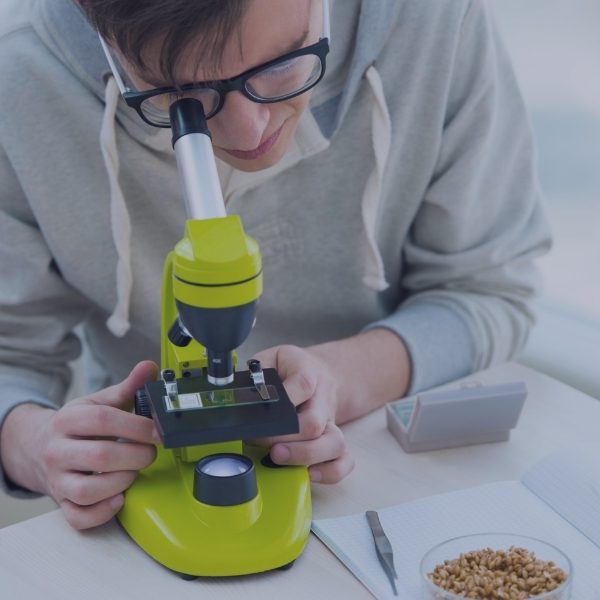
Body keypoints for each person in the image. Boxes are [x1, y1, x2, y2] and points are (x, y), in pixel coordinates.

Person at [0, 0, 551, 530]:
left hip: (394, 464)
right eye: (178, 92)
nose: (248, 133)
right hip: (147, 483)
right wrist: (36, 443)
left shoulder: (432, 18)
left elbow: (488, 289)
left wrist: (341, 378)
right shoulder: (20, 70)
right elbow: (10, 357)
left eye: (283, 64)